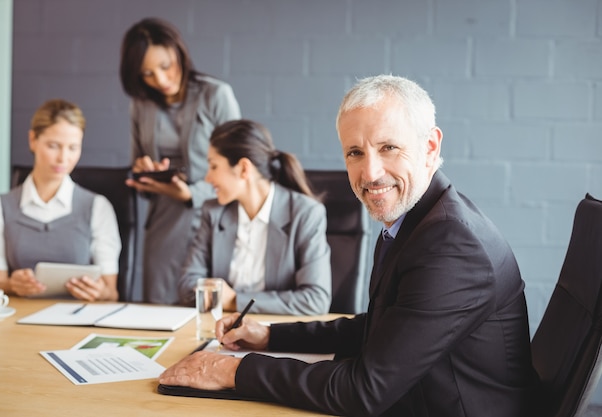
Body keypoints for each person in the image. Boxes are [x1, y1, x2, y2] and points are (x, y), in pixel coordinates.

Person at [159, 75, 539, 416]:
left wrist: (234, 370)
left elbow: (364, 391)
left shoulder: (452, 245)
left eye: (388, 147)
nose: (370, 173)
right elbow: (380, 329)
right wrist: (272, 335)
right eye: (355, 153)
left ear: (430, 147)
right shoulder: (419, 221)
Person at [120, 17, 241, 304]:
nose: (160, 80)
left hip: (214, 213)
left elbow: (239, 168)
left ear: (179, 53)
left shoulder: (215, 95)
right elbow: (138, 162)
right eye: (147, 74)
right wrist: (144, 173)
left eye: (165, 66)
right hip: (164, 219)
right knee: (158, 309)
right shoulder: (141, 105)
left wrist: (191, 193)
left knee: (209, 309)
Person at [177, 119, 331, 315]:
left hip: (278, 333)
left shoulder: (305, 213)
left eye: (213, 166)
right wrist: (216, 296)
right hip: (222, 331)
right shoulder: (213, 212)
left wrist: (235, 301)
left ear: (243, 168)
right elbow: (187, 284)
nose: (208, 178)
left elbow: (315, 299)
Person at [0, 99, 121, 301]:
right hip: (20, 319)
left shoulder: (98, 207)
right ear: (33, 140)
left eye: (73, 148)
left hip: (77, 317)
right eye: (53, 146)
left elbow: (111, 293)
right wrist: (12, 285)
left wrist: (99, 292)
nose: (63, 158)